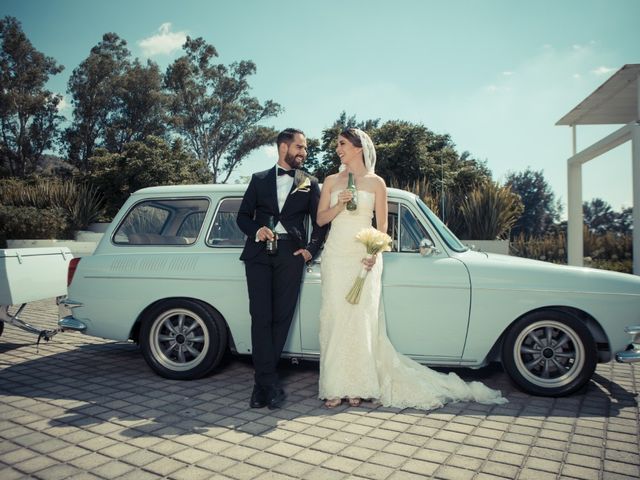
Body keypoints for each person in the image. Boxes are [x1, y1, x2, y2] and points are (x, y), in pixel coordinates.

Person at [316, 128, 507, 409]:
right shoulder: (331, 181)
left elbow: (382, 226)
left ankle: (357, 384)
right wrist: (340, 204)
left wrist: (373, 252)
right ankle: (335, 386)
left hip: (363, 255)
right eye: (338, 145)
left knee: (360, 321)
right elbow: (321, 220)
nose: (338, 149)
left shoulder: (376, 183)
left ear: (358, 148)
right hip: (336, 255)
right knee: (334, 317)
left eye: (342, 144)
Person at [237, 128, 327, 409]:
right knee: (260, 317)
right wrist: (257, 230)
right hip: (258, 254)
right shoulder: (259, 179)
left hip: (291, 254)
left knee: (281, 319)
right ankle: (266, 383)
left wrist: (311, 250)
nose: (304, 152)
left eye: (306, 149)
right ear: (283, 147)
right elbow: (242, 217)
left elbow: (321, 222)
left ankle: (262, 384)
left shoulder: (310, 182)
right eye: (300, 147)